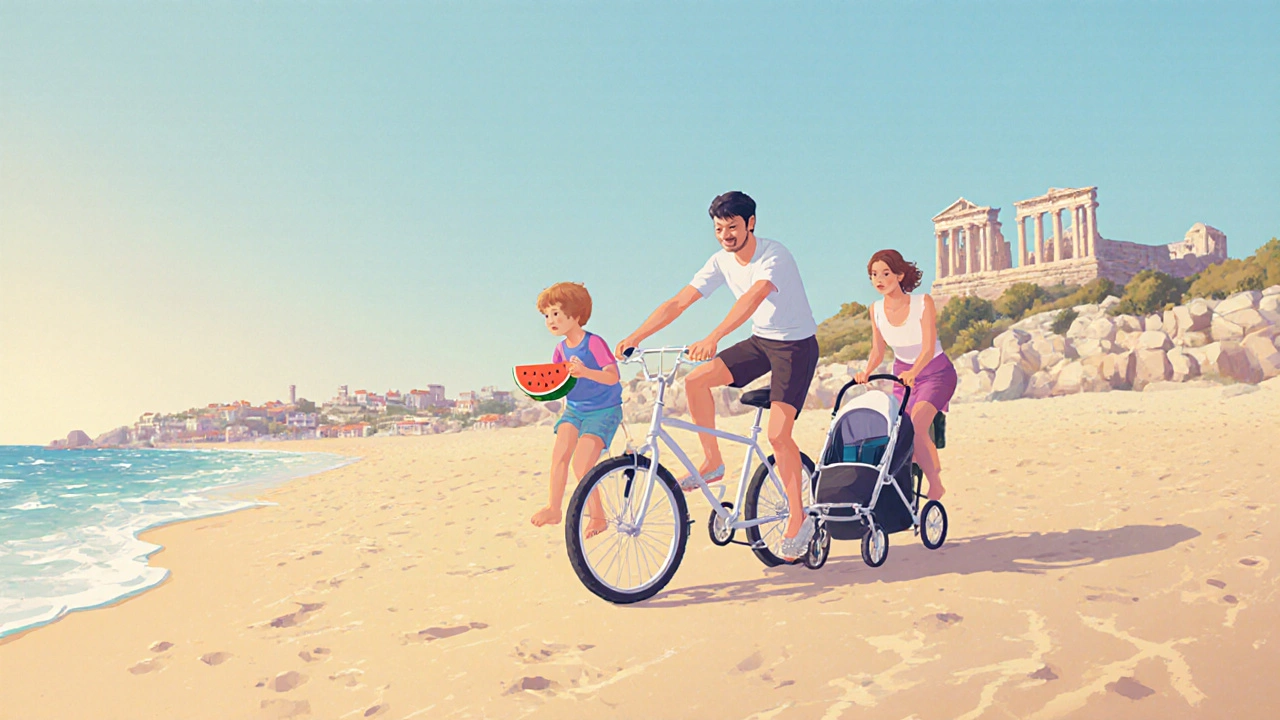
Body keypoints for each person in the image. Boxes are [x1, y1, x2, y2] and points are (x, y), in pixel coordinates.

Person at [614, 191, 820, 560]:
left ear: (750, 224)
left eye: (733, 227)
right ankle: (712, 462)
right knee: (696, 380)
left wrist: (714, 337)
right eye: (719, 228)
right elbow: (679, 301)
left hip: (795, 347)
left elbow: (753, 298)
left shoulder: (775, 255)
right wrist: (636, 336)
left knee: (777, 434)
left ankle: (798, 518)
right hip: (762, 341)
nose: (726, 235)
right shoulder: (720, 261)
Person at [854, 249, 957, 501]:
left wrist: (915, 371)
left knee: (917, 425)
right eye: (873, 274)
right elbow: (878, 350)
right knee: (899, 432)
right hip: (902, 376)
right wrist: (867, 371)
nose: (879, 279)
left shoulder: (923, 303)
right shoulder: (875, 309)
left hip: (936, 373)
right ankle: (902, 485)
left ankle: (935, 483)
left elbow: (928, 346)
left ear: (900, 275)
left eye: (885, 273)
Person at [529, 282, 622, 538]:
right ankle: (554, 508)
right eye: (547, 315)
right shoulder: (559, 350)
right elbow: (558, 384)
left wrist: (585, 372)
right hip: (575, 410)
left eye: (556, 313)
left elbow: (613, 377)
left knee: (581, 465)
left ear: (576, 314)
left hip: (604, 410)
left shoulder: (594, 343)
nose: (551, 320)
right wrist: (541, 391)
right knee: (560, 455)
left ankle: (599, 517)